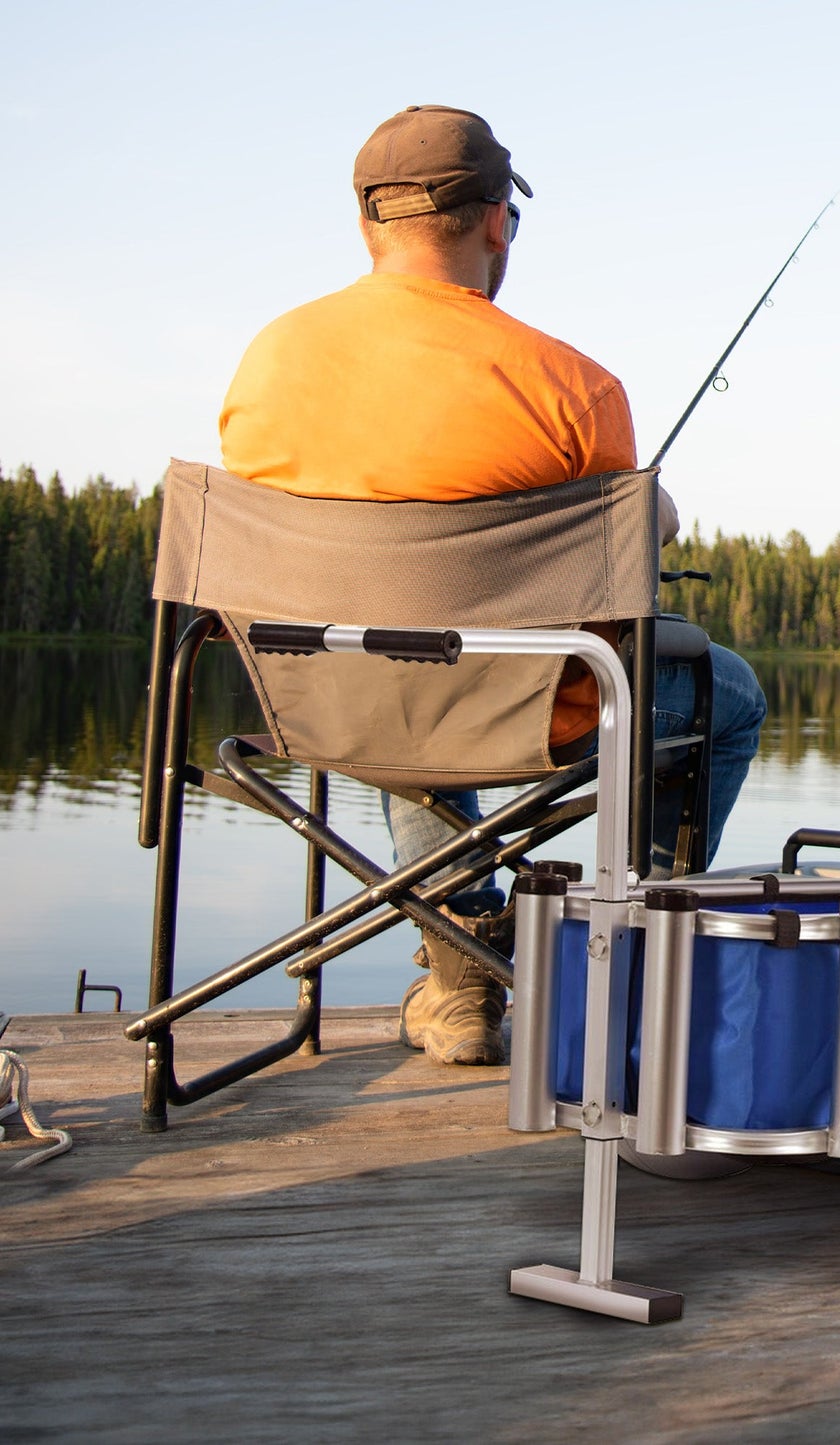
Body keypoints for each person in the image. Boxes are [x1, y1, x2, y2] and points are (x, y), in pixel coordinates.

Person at [219, 104, 766, 1067]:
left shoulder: (268, 363)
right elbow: (618, 584)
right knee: (729, 695)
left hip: (320, 700)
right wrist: (657, 511)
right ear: (496, 223)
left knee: (404, 675)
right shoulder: (571, 388)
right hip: (520, 706)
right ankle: (609, 953)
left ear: (365, 225)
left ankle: (462, 977)